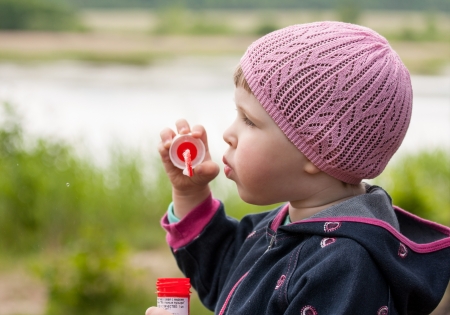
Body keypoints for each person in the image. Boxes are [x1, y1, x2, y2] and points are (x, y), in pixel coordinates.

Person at [149, 21, 450, 315]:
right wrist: (189, 194)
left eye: (249, 120)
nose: (228, 133)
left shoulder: (345, 268)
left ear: (317, 149)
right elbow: (222, 268)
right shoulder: (284, 227)